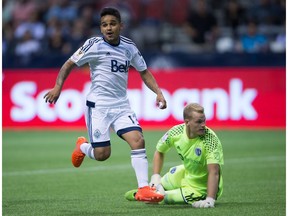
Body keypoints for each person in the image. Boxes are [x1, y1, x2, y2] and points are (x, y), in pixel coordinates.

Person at [43, 7, 167, 203]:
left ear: (121, 26)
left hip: (121, 106)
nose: (108, 28)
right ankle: (83, 146)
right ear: (101, 28)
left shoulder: (129, 47)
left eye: (112, 24)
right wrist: (58, 87)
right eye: (104, 25)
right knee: (102, 155)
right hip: (98, 106)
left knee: (138, 141)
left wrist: (158, 92)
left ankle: (143, 188)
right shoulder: (93, 45)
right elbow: (69, 64)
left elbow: (143, 71)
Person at [125, 103, 224, 208]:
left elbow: (214, 172)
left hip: (200, 188)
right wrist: (156, 176)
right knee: (154, 188)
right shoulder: (176, 132)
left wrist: (210, 199)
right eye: (199, 122)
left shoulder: (210, 140)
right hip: (185, 173)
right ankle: (144, 191)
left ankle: (139, 195)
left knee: (156, 198)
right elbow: (159, 151)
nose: (203, 125)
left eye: (204, 120)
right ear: (187, 122)